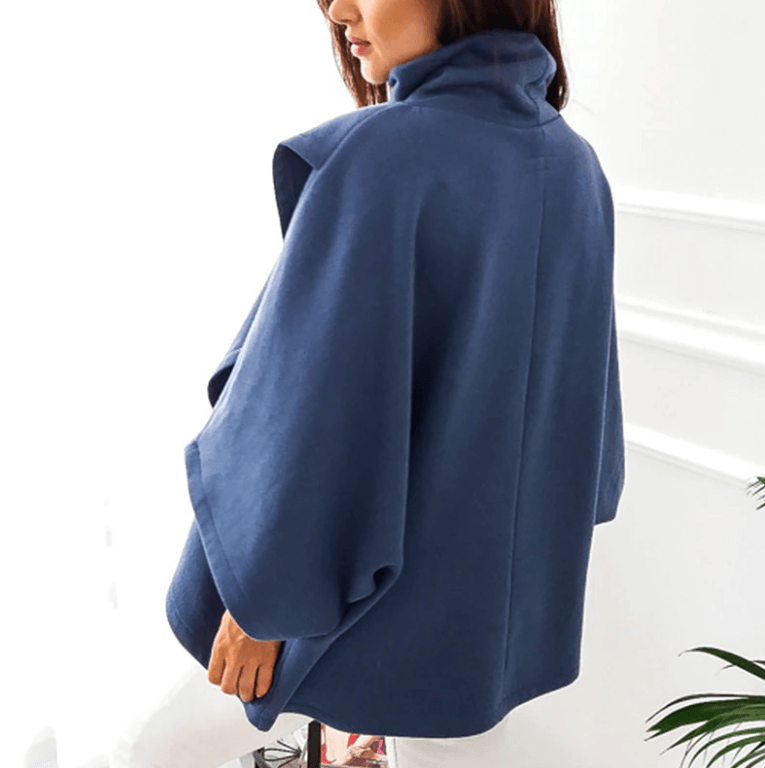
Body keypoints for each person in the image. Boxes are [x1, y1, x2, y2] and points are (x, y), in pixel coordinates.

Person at [119, 0, 627, 764]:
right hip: (486, 615)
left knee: (148, 747)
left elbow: (313, 405)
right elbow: (586, 432)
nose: (336, 9)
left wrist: (262, 607)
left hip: (356, 600)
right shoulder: (575, 163)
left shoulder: (382, 156)